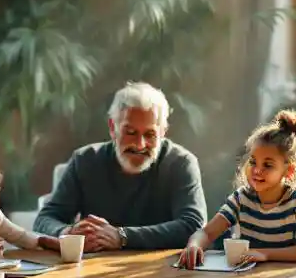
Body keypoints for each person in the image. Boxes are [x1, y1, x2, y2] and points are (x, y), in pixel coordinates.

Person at [34, 82, 207, 251]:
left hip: (164, 272)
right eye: (130, 132)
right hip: (93, 269)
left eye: (150, 134)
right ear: (112, 127)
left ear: (163, 132)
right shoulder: (85, 160)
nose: (140, 145)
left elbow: (193, 226)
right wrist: (68, 233)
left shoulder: (181, 163)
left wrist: (122, 237)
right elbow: (45, 219)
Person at [179, 110, 296, 267]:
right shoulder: (242, 198)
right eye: (254, 162)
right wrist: (194, 245)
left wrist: (265, 254)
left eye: (268, 165)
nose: (257, 170)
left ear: (288, 171)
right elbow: (206, 233)